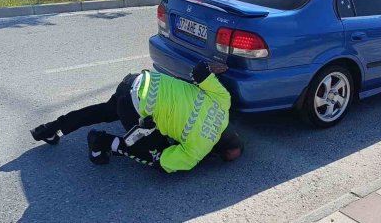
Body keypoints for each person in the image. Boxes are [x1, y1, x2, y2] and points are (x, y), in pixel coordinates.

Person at [30, 61, 243, 173]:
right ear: (215, 152)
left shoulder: (223, 102)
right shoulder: (198, 151)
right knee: (156, 153)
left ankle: (50, 129)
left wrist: (212, 67)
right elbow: (163, 163)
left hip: (138, 81)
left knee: (104, 111)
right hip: (135, 106)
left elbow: (199, 70)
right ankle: (101, 143)